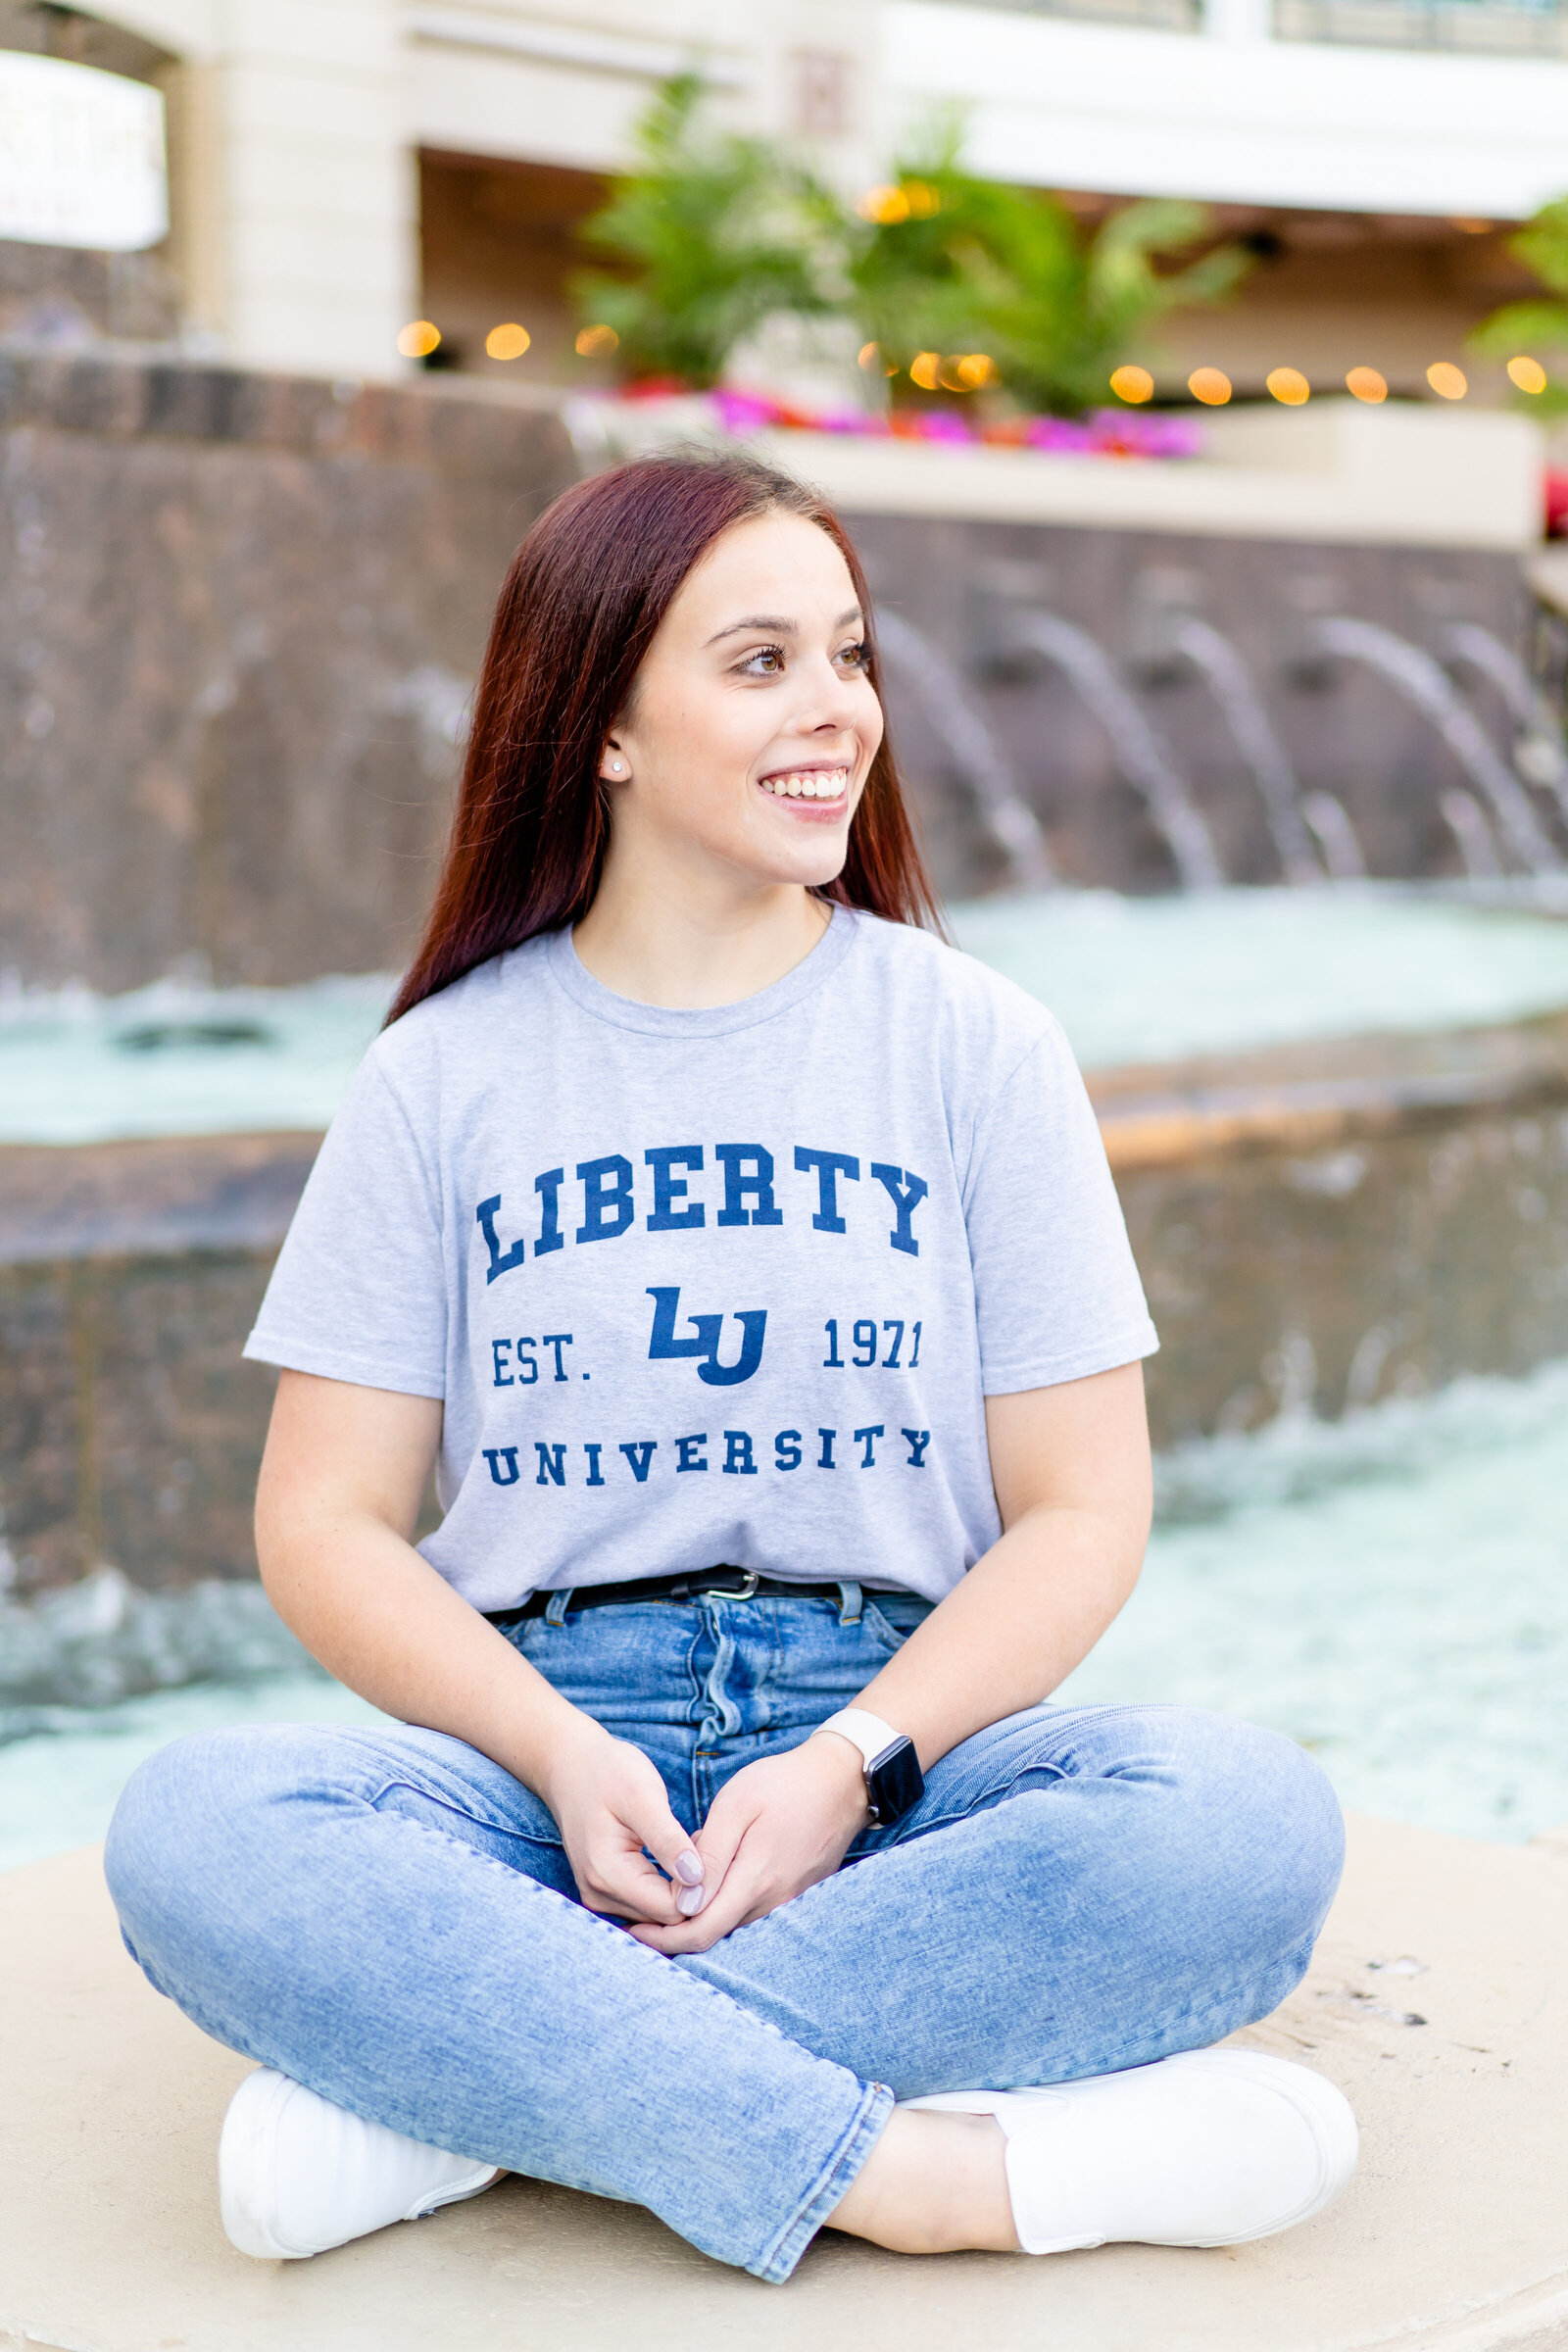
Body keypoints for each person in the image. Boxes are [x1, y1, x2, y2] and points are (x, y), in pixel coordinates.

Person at [105, 453, 1354, 2283]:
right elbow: (325, 1522)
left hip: (895, 1764)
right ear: (601, 722)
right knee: (192, 1829)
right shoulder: (443, 1077)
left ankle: (466, 2100)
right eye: (758, 662)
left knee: (1242, 1822)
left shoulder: (974, 1046)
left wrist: (855, 1761)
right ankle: (919, 2181)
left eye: (846, 656)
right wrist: (552, 1750)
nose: (835, 709)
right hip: (540, 1778)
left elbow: (1083, 1510)